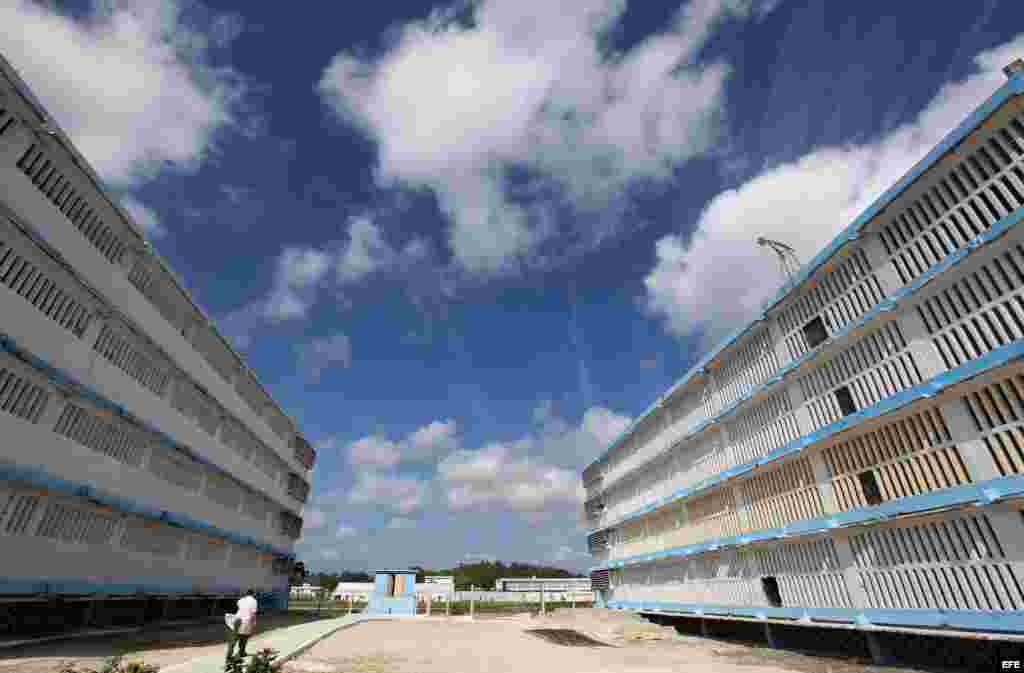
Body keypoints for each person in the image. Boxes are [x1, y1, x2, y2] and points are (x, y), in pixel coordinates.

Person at [226, 589, 259, 661]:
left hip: (237, 619)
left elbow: (238, 608)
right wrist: (254, 622)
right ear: (253, 594)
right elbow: (253, 613)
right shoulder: (254, 601)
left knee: (234, 638)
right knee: (244, 637)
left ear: (246, 594)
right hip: (246, 621)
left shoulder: (241, 600)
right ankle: (241, 652)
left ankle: (229, 654)